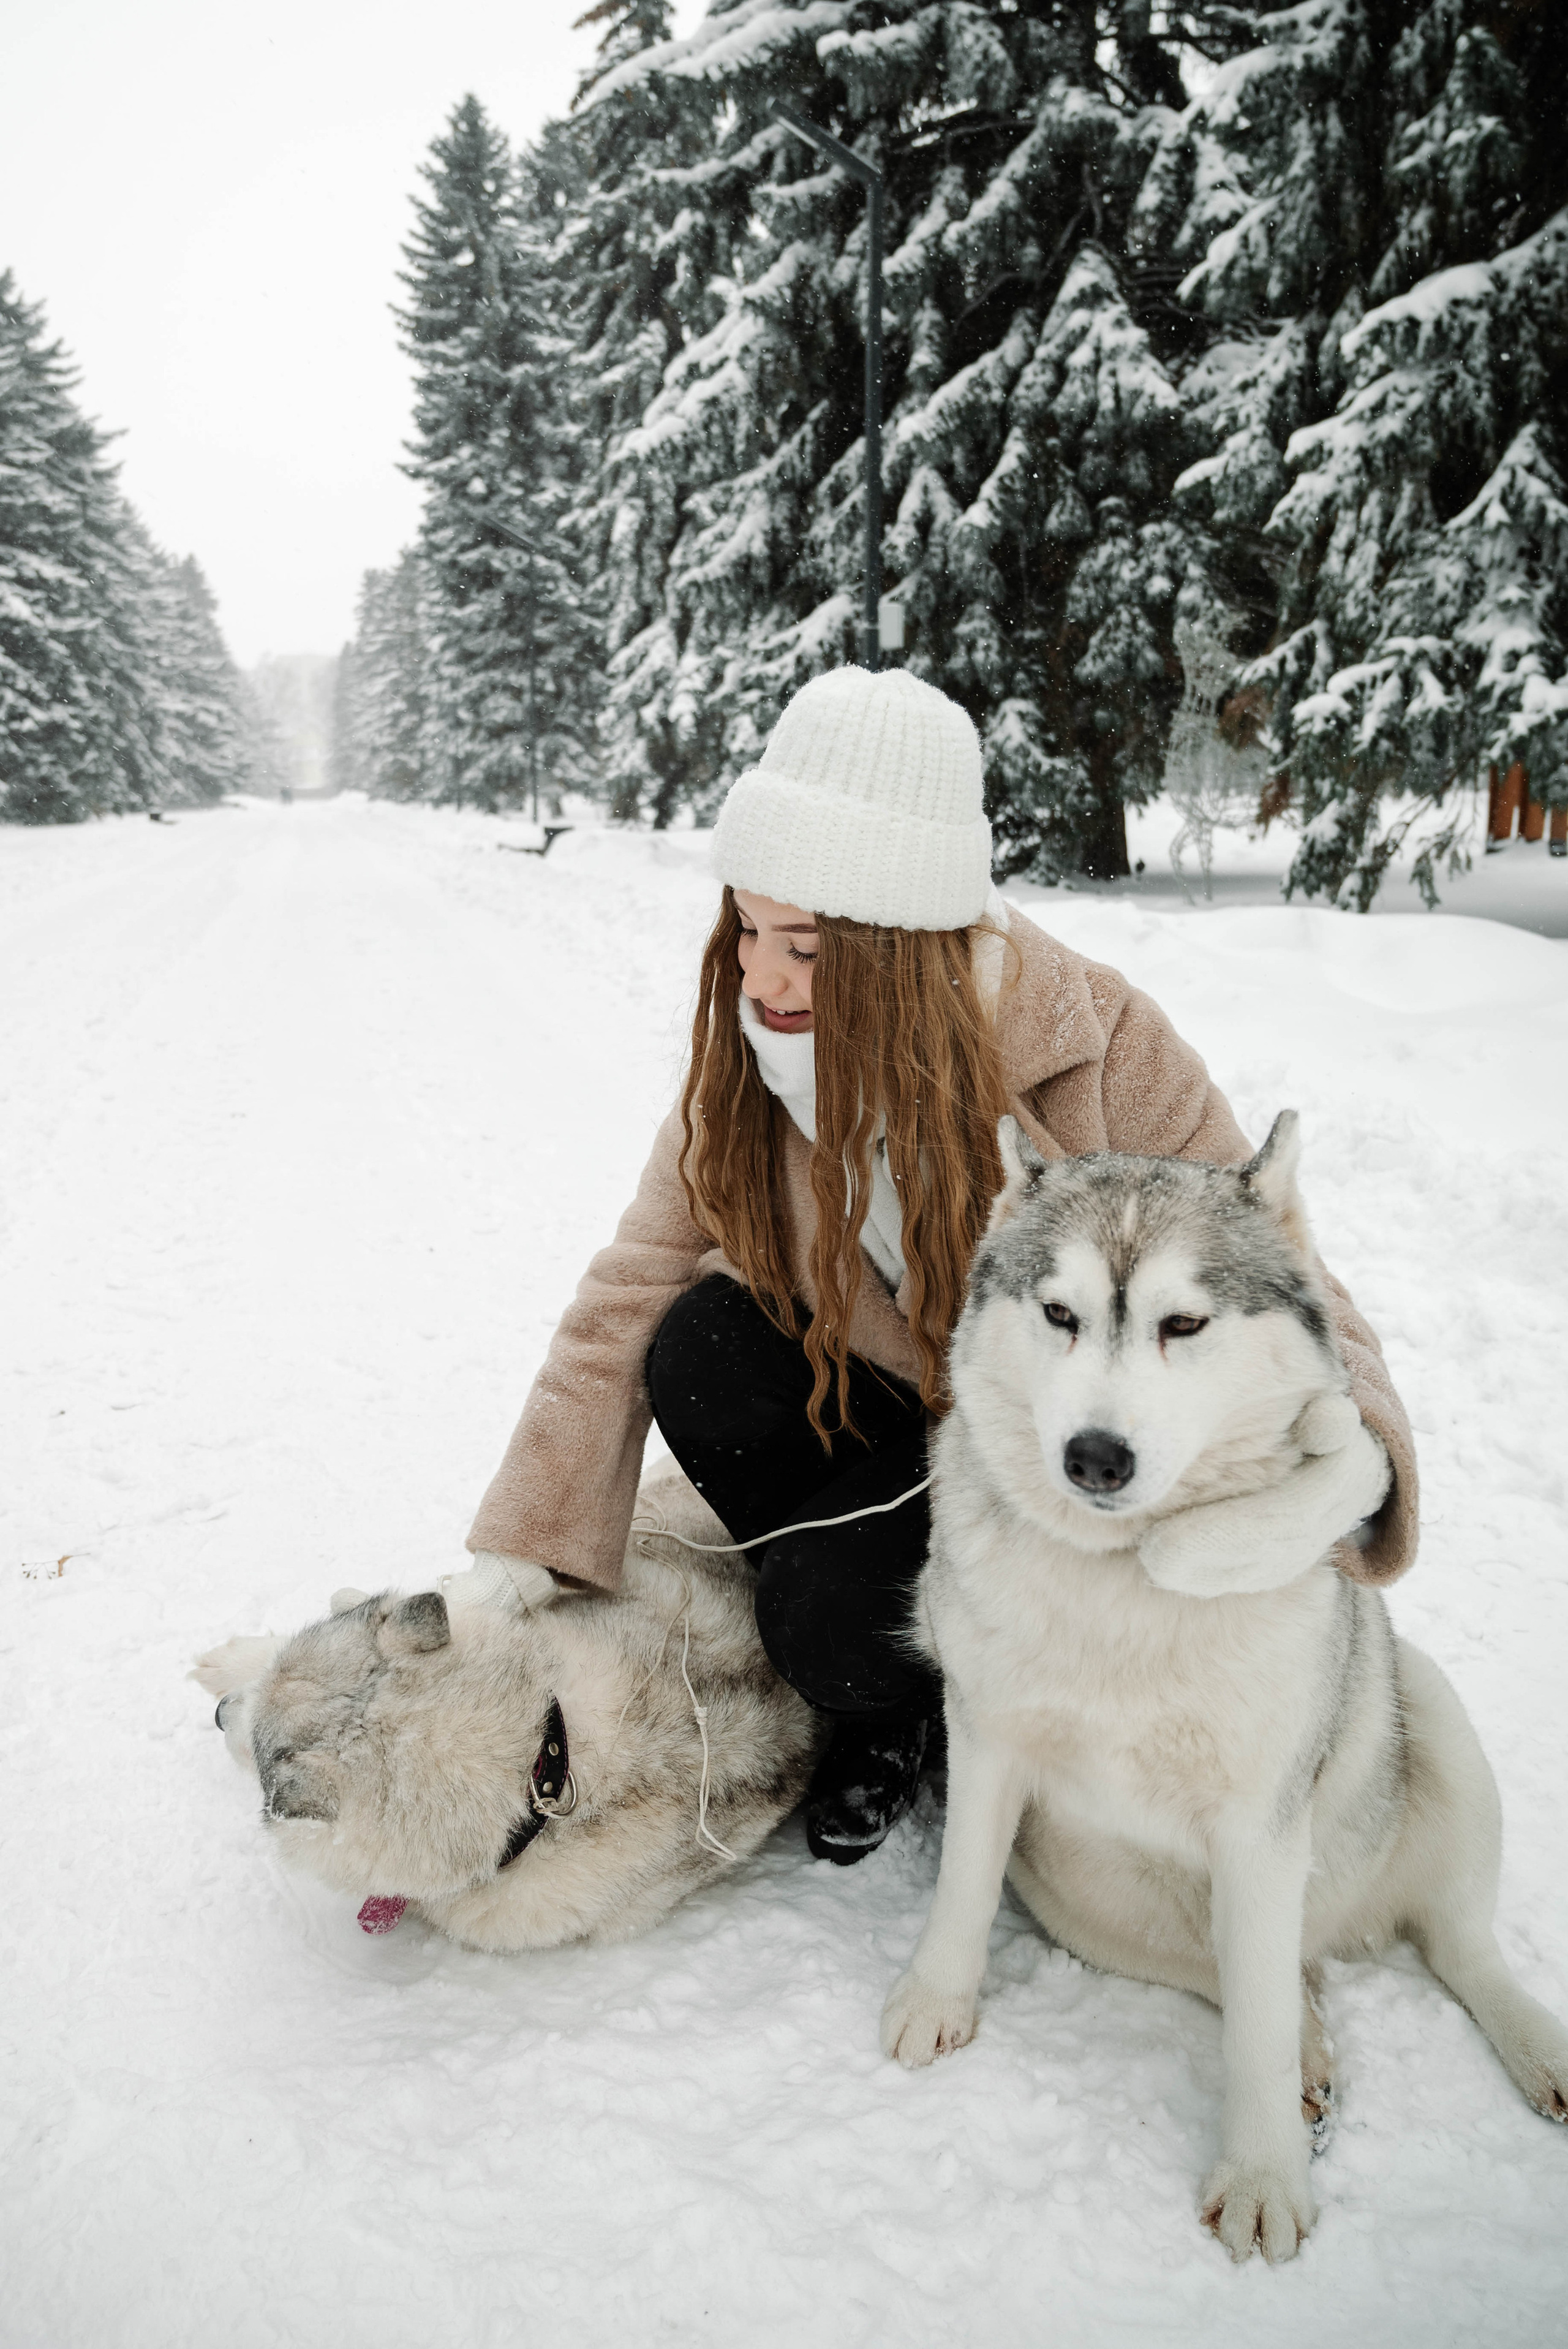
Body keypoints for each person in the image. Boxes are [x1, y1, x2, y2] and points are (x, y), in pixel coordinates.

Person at [467, 667, 1417, 1863]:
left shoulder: (1094, 1050)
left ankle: (920, 1676)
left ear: (901, 944)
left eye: (805, 949)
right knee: (698, 1346)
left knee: (818, 1621)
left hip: (1043, 1457)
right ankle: (896, 1678)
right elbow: (630, 1282)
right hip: (895, 1416)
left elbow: (1284, 1270)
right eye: (747, 931)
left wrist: (1351, 1466)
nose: (759, 981)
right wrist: (520, 1551)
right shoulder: (753, 1065)